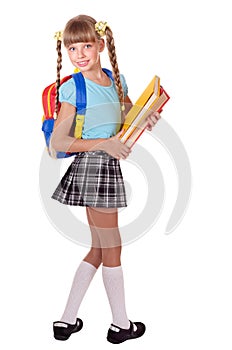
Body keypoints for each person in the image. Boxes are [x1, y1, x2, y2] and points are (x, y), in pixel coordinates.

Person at [50, 14, 160, 344]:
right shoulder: (73, 87)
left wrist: (146, 116)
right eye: (72, 48)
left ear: (100, 45)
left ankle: (66, 321)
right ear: (65, 51)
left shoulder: (115, 81)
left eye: (86, 45)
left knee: (99, 248)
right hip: (93, 166)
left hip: (106, 166)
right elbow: (58, 142)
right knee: (112, 247)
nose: (80, 54)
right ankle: (120, 325)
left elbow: (125, 113)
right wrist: (104, 144)